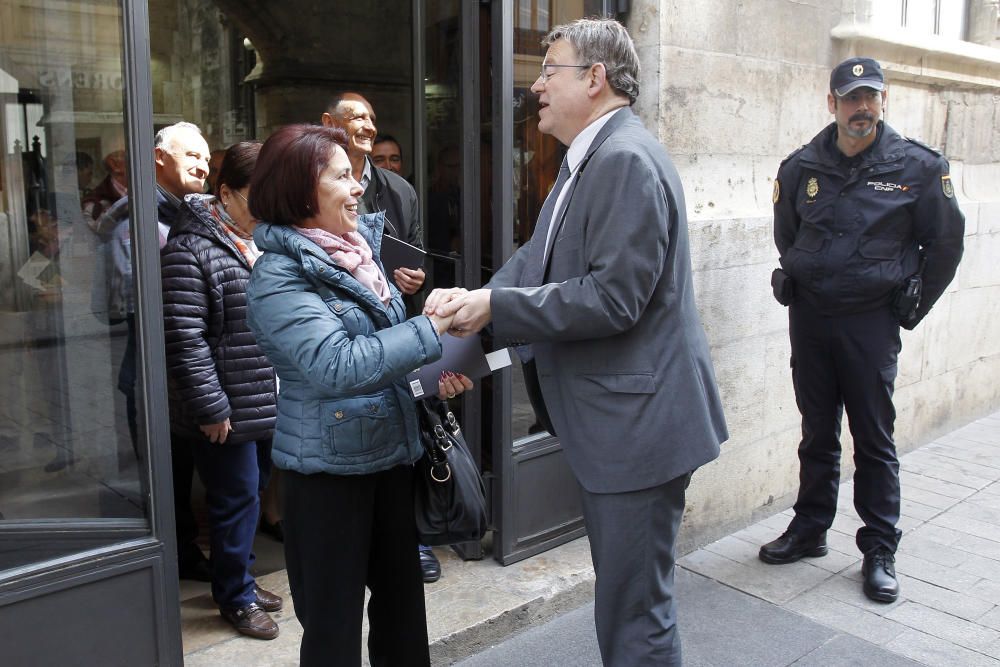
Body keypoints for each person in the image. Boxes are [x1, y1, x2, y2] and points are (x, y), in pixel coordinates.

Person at [425, 18, 727, 667]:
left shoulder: (623, 160)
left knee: (635, 615)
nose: (534, 84)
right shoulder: (587, 157)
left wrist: (492, 306)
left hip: (639, 433)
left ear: (594, 79)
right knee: (625, 605)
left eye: (548, 69)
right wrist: (463, 322)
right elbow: (535, 264)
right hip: (619, 426)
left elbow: (614, 298)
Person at [244, 124, 471, 665]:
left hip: (391, 460)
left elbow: (383, 353)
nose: (358, 187)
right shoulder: (278, 276)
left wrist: (436, 376)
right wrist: (430, 332)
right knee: (332, 631)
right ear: (302, 192)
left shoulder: (360, 251)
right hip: (326, 479)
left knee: (402, 618)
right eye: (342, 176)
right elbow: (337, 365)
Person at [759, 57, 965, 603]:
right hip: (812, 318)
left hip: (871, 323)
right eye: (851, 99)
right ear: (832, 103)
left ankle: (879, 548)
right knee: (817, 430)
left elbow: (945, 245)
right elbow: (789, 237)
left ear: (883, 100)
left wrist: (909, 305)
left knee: (874, 438)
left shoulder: (918, 167)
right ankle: (810, 529)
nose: (862, 108)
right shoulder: (801, 166)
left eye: (871, 97)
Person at [160, 141, 283, 640]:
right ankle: (234, 596)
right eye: (258, 196)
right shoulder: (191, 249)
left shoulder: (261, 240)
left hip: (264, 398)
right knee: (233, 499)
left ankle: (243, 580)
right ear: (226, 193)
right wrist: (212, 408)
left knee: (251, 495)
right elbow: (184, 340)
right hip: (225, 408)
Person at [322, 92, 441, 583]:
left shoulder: (399, 190)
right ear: (329, 124)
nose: (368, 124)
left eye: (373, 116)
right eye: (356, 117)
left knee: (407, 432)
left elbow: (414, 256)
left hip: (397, 332)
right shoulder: (313, 188)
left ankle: (411, 538)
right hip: (346, 337)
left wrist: (414, 278)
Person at [101, 121, 213, 581]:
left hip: (187, 373)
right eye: (192, 156)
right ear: (158, 159)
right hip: (155, 374)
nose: (203, 166)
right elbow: (139, 304)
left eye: (207, 158)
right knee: (166, 477)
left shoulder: (192, 213)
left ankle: (188, 553)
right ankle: (172, 563)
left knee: (190, 474)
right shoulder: (139, 222)